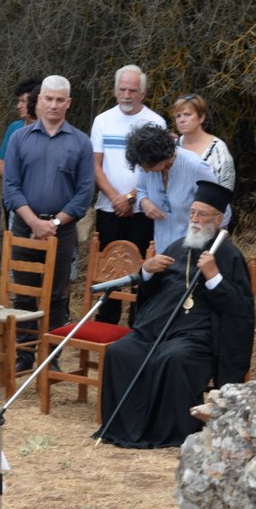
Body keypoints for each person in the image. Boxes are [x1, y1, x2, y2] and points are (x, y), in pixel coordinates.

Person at [97, 181, 253, 448]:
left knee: (173, 357)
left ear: (219, 218)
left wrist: (214, 276)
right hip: (159, 326)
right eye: (192, 212)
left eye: (202, 214)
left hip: (198, 334)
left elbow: (240, 309)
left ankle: (169, 432)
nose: (194, 219)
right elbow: (152, 290)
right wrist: (147, 269)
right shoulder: (178, 246)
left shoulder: (228, 254)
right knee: (120, 351)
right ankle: (123, 425)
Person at [2, 75, 94, 372]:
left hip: (61, 231)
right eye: (48, 99)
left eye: (59, 100)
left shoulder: (80, 142)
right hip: (25, 228)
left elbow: (84, 194)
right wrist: (33, 221)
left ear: (68, 103)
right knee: (24, 294)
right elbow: (11, 187)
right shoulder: (19, 138)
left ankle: (51, 358)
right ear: (38, 101)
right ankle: (25, 354)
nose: (53, 105)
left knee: (56, 296)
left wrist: (53, 223)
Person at [90, 65, 166, 325]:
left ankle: (138, 324)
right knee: (108, 270)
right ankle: (106, 322)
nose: (126, 95)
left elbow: (156, 168)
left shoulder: (156, 122)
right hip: (108, 209)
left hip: (142, 210)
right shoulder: (102, 121)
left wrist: (131, 197)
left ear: (143, 93)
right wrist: (115, 197)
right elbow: (96, 166)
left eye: (132, 90)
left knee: (141, 269)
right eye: (122, 89)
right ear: (114, 89)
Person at [128, 122, 217, 250]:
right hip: (161, 248)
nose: (145, 171)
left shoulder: (195, 167)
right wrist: (143, 202)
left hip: (192, 249)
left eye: (147, 166)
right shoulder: (146, 165)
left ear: (161, 157)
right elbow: (141, 190)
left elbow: (218, 207)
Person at [172, 93, 235, 191]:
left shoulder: (218, 149)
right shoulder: (172, 147)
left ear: (201, 117)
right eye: (178, 116)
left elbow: (226, 188)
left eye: (187, 114)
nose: (181, 120)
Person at [0, 78, 40, 180]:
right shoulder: (14, 128)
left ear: (36, 102)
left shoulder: (48, 130)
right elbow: (0, 163)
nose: (18, 106)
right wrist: (15, 183)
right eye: (19, 101)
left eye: (23, 101)